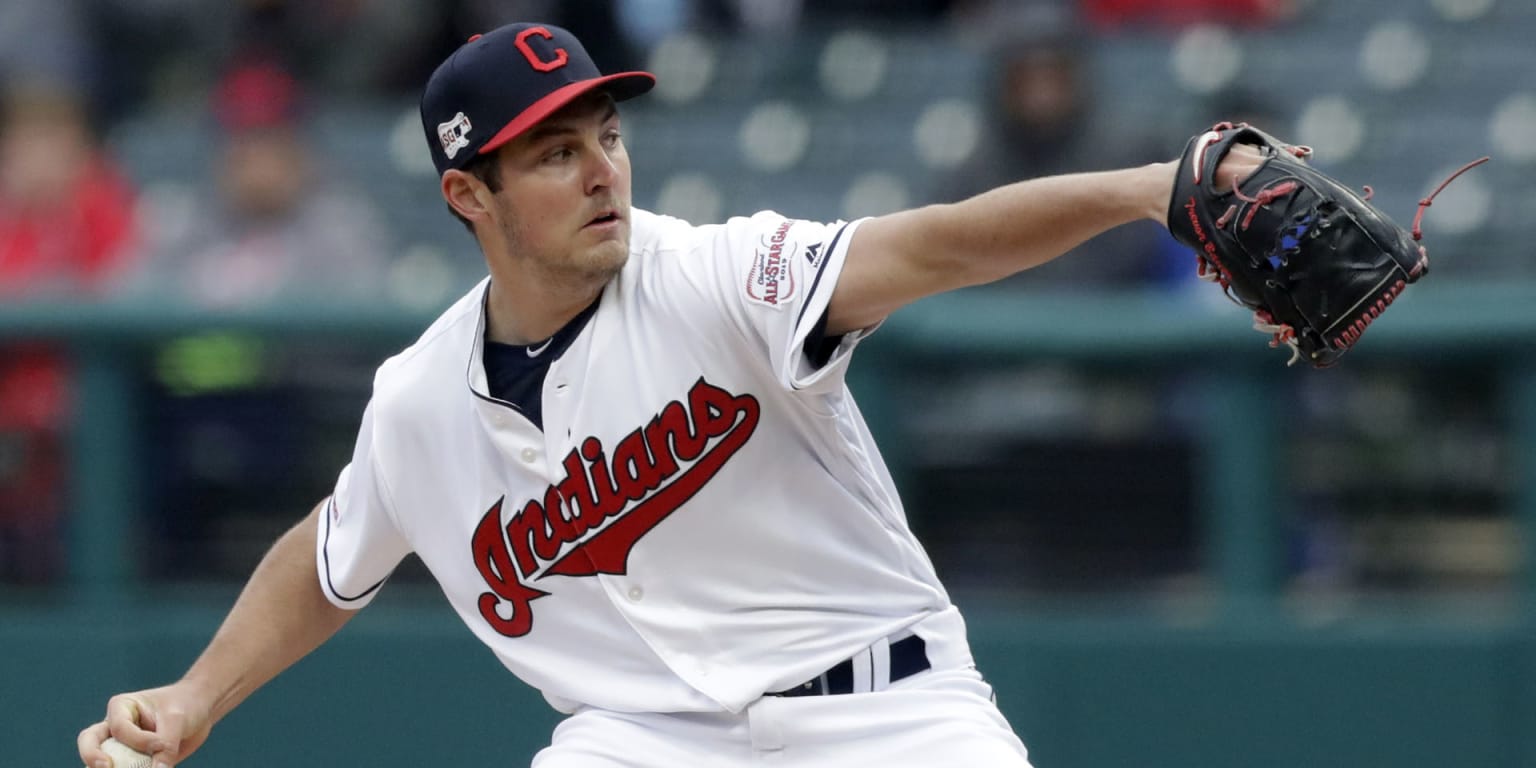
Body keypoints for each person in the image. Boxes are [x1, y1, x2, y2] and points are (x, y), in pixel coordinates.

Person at [77, 21, 1259, 767]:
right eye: (553, 153)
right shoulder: (420, 399)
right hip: (643, 742)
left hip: (886, 716)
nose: (603, 169)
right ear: (465, 197)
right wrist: (194, 698)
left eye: (605, 133)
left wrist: (1152, 186)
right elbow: (332, 555)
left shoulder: (714, 273)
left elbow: (939, 244)